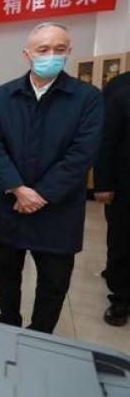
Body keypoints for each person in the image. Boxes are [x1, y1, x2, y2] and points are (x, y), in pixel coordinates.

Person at [0, 23, 103, 335]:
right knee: (3, 272)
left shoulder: (87, 98)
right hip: (8, 205)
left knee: (54, 282)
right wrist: (18, 189)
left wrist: (41, 194)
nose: (51, 55)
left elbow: (81, 154)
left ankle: (39, 335)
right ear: (27, 54)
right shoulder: (2, 97)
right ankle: (8, 323)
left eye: (59, 50)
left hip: (57, 210)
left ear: (69, 52)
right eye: (43, 50)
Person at [94, 72, 130, 326]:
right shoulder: (121, 90)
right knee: (123, 240)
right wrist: (104, 183)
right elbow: (106, 141)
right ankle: (121, 298)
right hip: (125, 183)